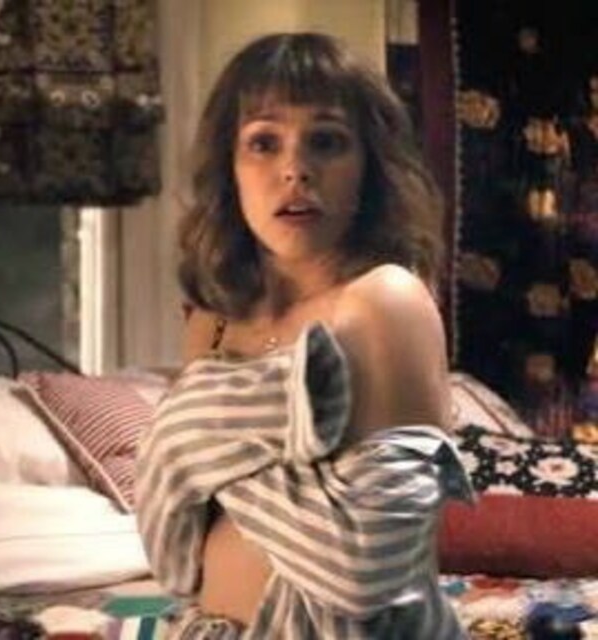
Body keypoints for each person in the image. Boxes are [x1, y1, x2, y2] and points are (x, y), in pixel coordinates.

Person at [136, 32, 472, 639]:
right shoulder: (215, 320)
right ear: (230, 168)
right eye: (263, 143)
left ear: (370, 167)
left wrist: (197, 445)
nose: (294, 169)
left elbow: (364, 568)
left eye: (326, 141)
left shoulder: (383, 301)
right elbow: (171, 556)